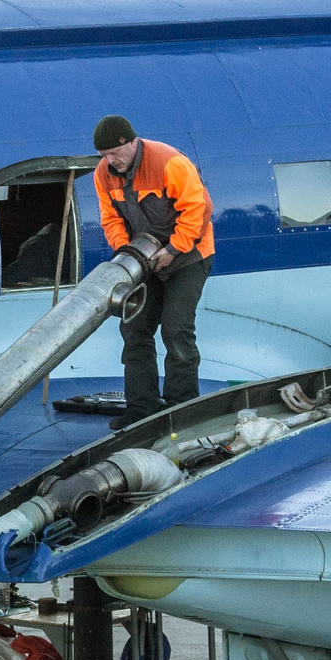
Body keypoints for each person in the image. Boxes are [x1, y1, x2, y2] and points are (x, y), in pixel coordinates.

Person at [91, 114, 214, 426]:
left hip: (188, 257)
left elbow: (199, 209)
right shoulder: (103, 174)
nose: (110, 161)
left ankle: (181, 409)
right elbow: (111, 220)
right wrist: (128, 253)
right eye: (104, 155)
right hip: (145, 260)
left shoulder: (169, 163)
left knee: (176, 329)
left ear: (132, 142)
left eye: (115, 153)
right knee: (134, 328)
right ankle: (141, 409)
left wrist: (172, 250)